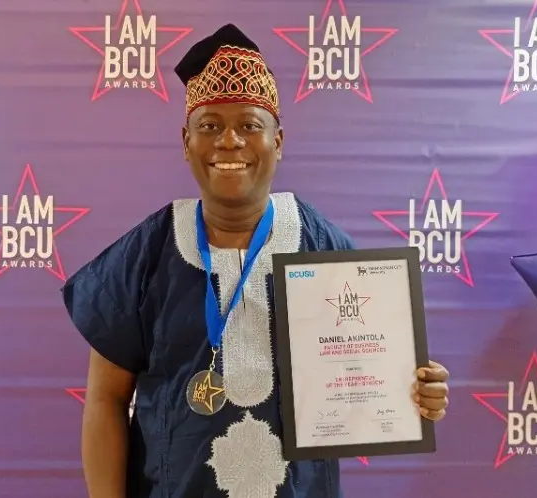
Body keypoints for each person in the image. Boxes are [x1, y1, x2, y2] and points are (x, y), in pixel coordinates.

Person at [61, 23, 450, 498]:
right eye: (210, 126)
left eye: (249, 124)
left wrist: (411, 393)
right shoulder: (147, 253)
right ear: (187, 142)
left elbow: (368, 371)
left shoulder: (323, 246)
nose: (230, 142)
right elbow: (105, 398)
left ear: (278, 141)